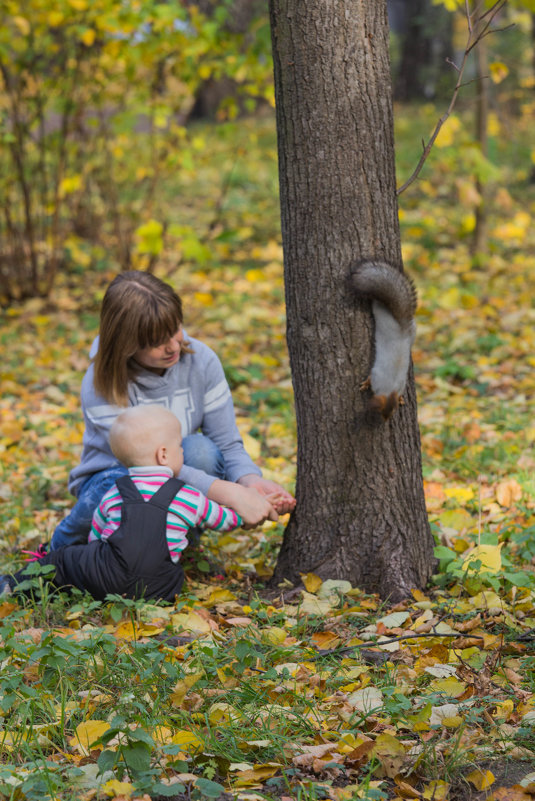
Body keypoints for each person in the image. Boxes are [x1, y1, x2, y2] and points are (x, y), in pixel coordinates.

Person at [48, 270, 295, 552]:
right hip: (116, 482)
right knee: (119, 480)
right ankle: (67, 551)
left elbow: (226, 442)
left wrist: (250, 482)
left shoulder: (201, 361)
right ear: (127, 344)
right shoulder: (101, 381)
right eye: (157, 341)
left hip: (180, 472)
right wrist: (227, 492)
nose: (174, 345)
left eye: (175, 328)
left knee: (200, 450)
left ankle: (183, 547)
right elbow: (140, 467)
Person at [2, 406, 243, 601]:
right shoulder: (188, 496)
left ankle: (14, 585)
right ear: (163, 454)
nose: (183, 452)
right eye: (180, 446)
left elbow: (97, 536)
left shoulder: (115, 491)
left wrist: (94, 560)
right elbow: (224, 520)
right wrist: (244, 512)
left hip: (106, 580)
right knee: (171, 571)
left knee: (60, 561)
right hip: (161, 588)